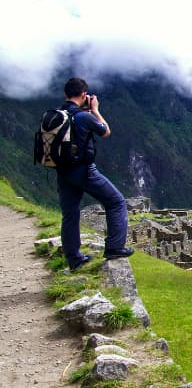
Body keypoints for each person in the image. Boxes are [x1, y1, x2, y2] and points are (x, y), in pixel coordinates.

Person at [57, 77, 133, 270]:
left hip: (63, 172)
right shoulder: (84, 117)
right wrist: (95, 110)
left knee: (70, 215)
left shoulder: (58, 115)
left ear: (66, 94)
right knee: (116, 202)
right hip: (84, 171)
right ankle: (115, 247)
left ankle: (74, 260)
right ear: (84, 95)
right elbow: (105, 131)